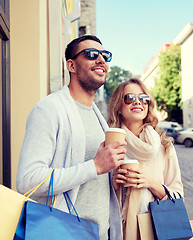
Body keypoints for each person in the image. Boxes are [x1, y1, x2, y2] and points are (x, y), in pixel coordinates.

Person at [16, 35, 126, 240]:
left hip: (101, 233)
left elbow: (92, 181)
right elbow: (27, 181)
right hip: (64, 233)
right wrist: (95, 167)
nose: (101, 60)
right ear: (71, 65)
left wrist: (112, 179)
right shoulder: (49, 109)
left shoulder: (97, 117)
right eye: (91, 54)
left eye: (105, 55)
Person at [107, 78, 184, 240]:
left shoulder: (164, 146)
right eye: (129, 98)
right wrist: (113, 185)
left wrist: (151, 182)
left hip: (154, 229)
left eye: (144, 99)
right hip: (115, 230)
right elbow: (95, 196)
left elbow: (178, 196)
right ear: (118, 107)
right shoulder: (109, 143)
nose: (138, 102)